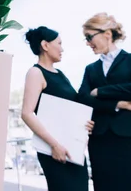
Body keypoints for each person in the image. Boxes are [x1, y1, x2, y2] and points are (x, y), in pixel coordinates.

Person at [77, 13, 131, 191]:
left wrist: (100, 91)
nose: (88, 43)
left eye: (89, 37)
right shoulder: (90, 69)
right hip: (100, 141)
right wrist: (118, 104)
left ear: (107, 34)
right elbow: (83, 99)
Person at [21, 26, 92, 191]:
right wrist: (54, 145)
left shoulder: (60, 74)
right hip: (54, 151)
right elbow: (26, 113)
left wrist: (86, 124)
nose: (62, 49)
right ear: (45, 45)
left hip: (73, 150)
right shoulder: (35, 72)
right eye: (59, 43)